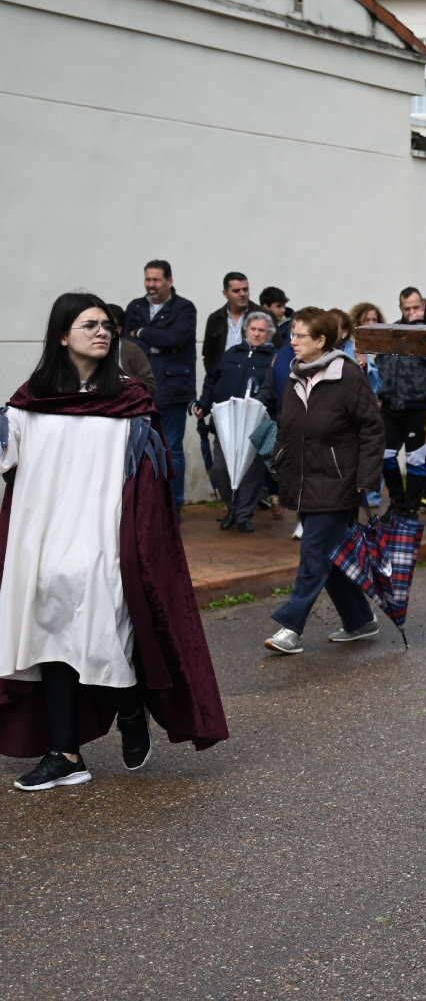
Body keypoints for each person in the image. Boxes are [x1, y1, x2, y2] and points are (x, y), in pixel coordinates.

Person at [2, 293, 227, 790]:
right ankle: (65, 754)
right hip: (42, 543)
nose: (102, 332)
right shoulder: (30, 401)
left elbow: (148, 483)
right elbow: (6, 457)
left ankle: (130, 706)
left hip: (106, 538)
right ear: (63, 335)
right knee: (52, 640)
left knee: (106, 640)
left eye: (107, 325)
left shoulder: (129, 401)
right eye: (90, 325)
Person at [263, 308, 384, 655]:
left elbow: (372, 429)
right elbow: (288, 428)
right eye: (292, 335)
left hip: (338, 482)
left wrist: (365, 479)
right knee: (330, 557)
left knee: (313, 552)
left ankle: (291, 626)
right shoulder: (295, 374)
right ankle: (360, 620)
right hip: (302, 480)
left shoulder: (346, 375)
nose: (293, 341)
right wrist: (280, 463)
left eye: (301, 335)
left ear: (321, 340)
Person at [374, 288, 426, 517]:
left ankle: (411, 507)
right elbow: (381, 364)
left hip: (421, 407)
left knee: (416, 458)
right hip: (392, 406)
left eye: (416, 307)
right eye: (407, 308)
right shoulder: (393, 331)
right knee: (386, 455)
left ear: (423, 305)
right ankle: (397, 502)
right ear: (401, 309)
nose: (412, 312)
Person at [196, 311, 278, 533]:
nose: (257, 334)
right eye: (253, 329)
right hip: (225, 424)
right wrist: (203, 404)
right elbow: (211, 380)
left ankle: (243, 515)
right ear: (246, 331)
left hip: (255, 425)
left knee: (251, 473)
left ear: (269, 334)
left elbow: (273, 389)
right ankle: (232, 508)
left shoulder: (273, 358)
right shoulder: (231, 353)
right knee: (220, 469)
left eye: (262, 330)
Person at [124, 259, 197, 507]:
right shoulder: (135, 307)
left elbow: (176, 337)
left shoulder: (185, 308)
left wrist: (143, 333)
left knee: (172, 447)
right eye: (148, 279)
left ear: (169, 281)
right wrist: (158, 342)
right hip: (141, 387)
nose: (151, 285)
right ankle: (146, 502)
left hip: (174, 388)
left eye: (156, 280)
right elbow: (128, 343)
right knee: (139, 445)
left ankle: (174, 502)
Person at [202, 272, 259, 375]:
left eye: (245, 289)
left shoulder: (262, 316)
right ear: (225, 293)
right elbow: (208, 355)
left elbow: (275, 352)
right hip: (223, 379)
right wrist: (214, 377)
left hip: (252, 378)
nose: (242, 294)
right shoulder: (215, 319)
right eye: (236, 291)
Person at [105, 305, 155, 393]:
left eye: (108, 326)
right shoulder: (85, 348)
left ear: (118, 329)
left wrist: (125, 386)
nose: (100, 330)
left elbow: (150, 384)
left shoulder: (131, 349)